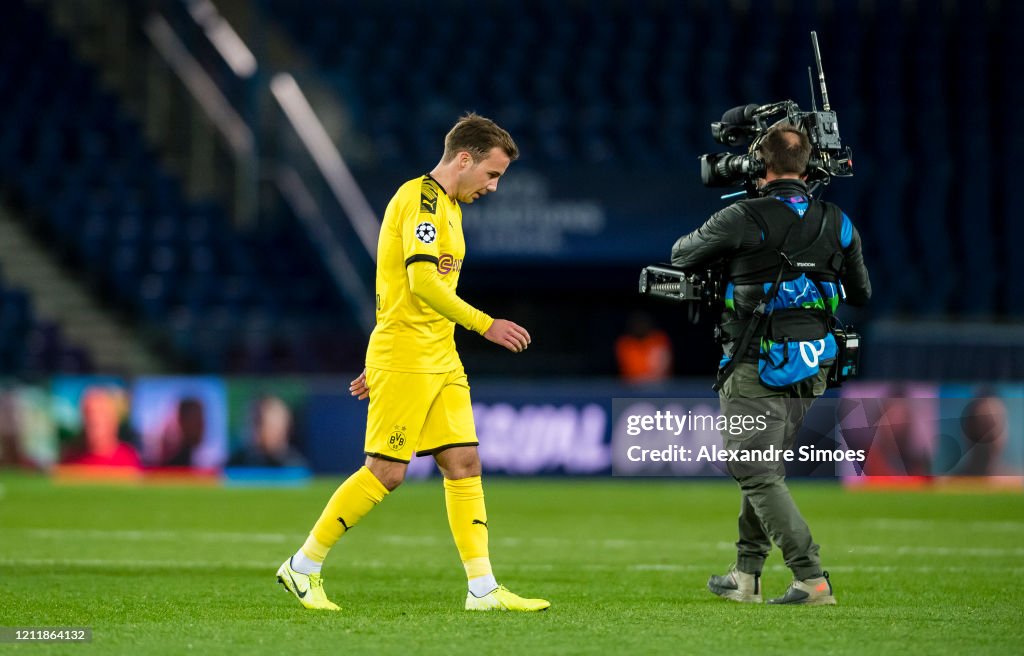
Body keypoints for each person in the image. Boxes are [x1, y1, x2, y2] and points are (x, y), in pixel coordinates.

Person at [277, 113, 549, 612]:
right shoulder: (419, 200)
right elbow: (423, 283)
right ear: (463, 159)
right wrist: (484, 324)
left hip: (439, 355)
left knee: (463, 462)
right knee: (386, 472)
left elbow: (403, 290)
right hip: (407, 353)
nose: (493, 187)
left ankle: (483, 589)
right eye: (491, 174)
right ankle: (303, 565)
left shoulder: (450, 207)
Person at [671, 124, 871, 605]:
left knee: (753, 467)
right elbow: (861, 293)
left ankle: (811, 576)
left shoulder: (743, 215)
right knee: (763, 467)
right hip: (815, 364)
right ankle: (746, 576)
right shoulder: (837, 220)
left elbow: (680, 254)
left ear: (761, 166)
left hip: (756, 362)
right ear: (810, 165)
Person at [228, 395, 308, 468]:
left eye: (259, 422)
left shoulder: (292, 466)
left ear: (280, 427)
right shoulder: (235, 462)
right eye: (249, 420)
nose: (251, 428)